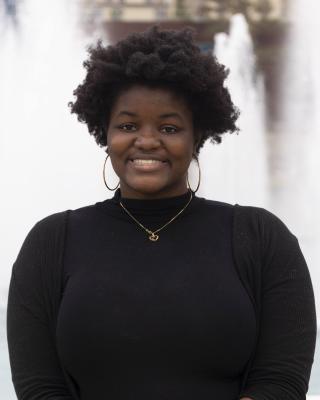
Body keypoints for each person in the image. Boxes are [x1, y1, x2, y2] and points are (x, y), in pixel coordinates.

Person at [7, 26, 317, 400]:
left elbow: (281, 381)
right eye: (127, 126)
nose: (147, 140)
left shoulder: (262, 237)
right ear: (105, 133)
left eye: (169, 127)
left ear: (196, 136)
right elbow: (39, 388)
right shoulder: (51, 242)